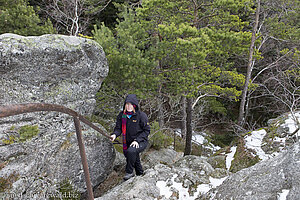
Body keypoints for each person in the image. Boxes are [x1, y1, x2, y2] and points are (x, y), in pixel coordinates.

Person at [110, 94, 150, 180]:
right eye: (127, 104)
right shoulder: (122, 115)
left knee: (131, 151)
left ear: (134, 105)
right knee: (134, 157)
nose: (128, 106)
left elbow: (146, 130)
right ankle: (140, 174)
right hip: (128, 142)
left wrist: (137, 140)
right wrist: (114, 135)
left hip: (141, 141)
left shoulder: (141, 116)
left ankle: (129, 172)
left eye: (131, 104)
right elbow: (118, 128)